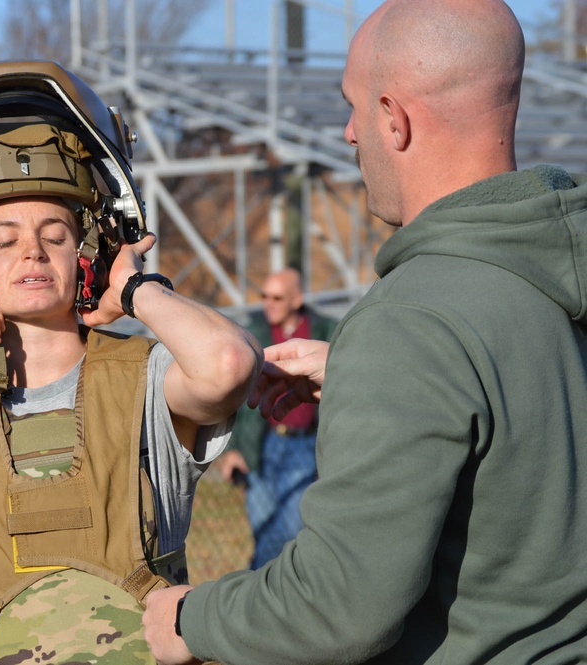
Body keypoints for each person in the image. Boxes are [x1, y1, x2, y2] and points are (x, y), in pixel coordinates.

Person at [143, 0, 587, 662]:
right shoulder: (553, 269)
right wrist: (362, 366)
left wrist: (190, 618)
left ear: (395, 119)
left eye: (354, 105)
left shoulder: (410, 323)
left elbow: (338, 606)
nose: (348, 132)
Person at [0, 60, 262, 664]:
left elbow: (230, 364)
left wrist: (137, 293)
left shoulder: (145, 379)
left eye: (55, 234)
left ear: (86, 258)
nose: (32, 250)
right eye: (4, 239)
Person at [219, 268, 337, 569]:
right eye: (264, 296)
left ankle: (259, 590)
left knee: (288, 530)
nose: (268, 303)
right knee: (263, 528)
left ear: (296, 300)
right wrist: (232, 448)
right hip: (263, 447)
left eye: (277, 297)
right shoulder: (252, 334)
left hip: (305, 447)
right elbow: (236, 395)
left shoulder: (324, 331)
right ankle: (263, 590)